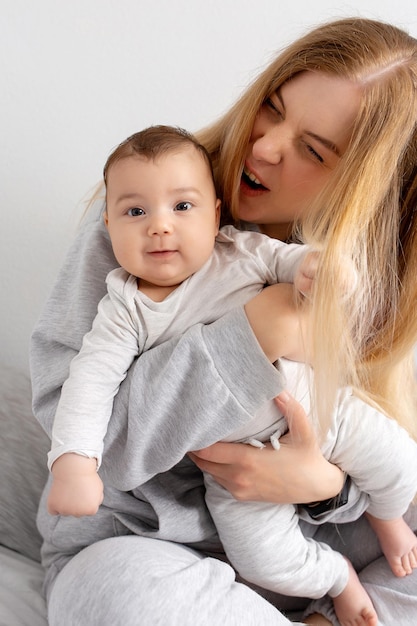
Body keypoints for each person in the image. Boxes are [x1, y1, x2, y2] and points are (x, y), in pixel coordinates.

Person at [30, 17, 417, 626]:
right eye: (270, 107)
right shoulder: (147, 221)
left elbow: (374, 455)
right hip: (150, 546)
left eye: (313, 150)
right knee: (119, 593)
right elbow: (89, 447)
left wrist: (325, 488)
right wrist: (255, 333)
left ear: (362, 189)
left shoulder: (350, 274)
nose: (264, 146)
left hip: (299, 541)